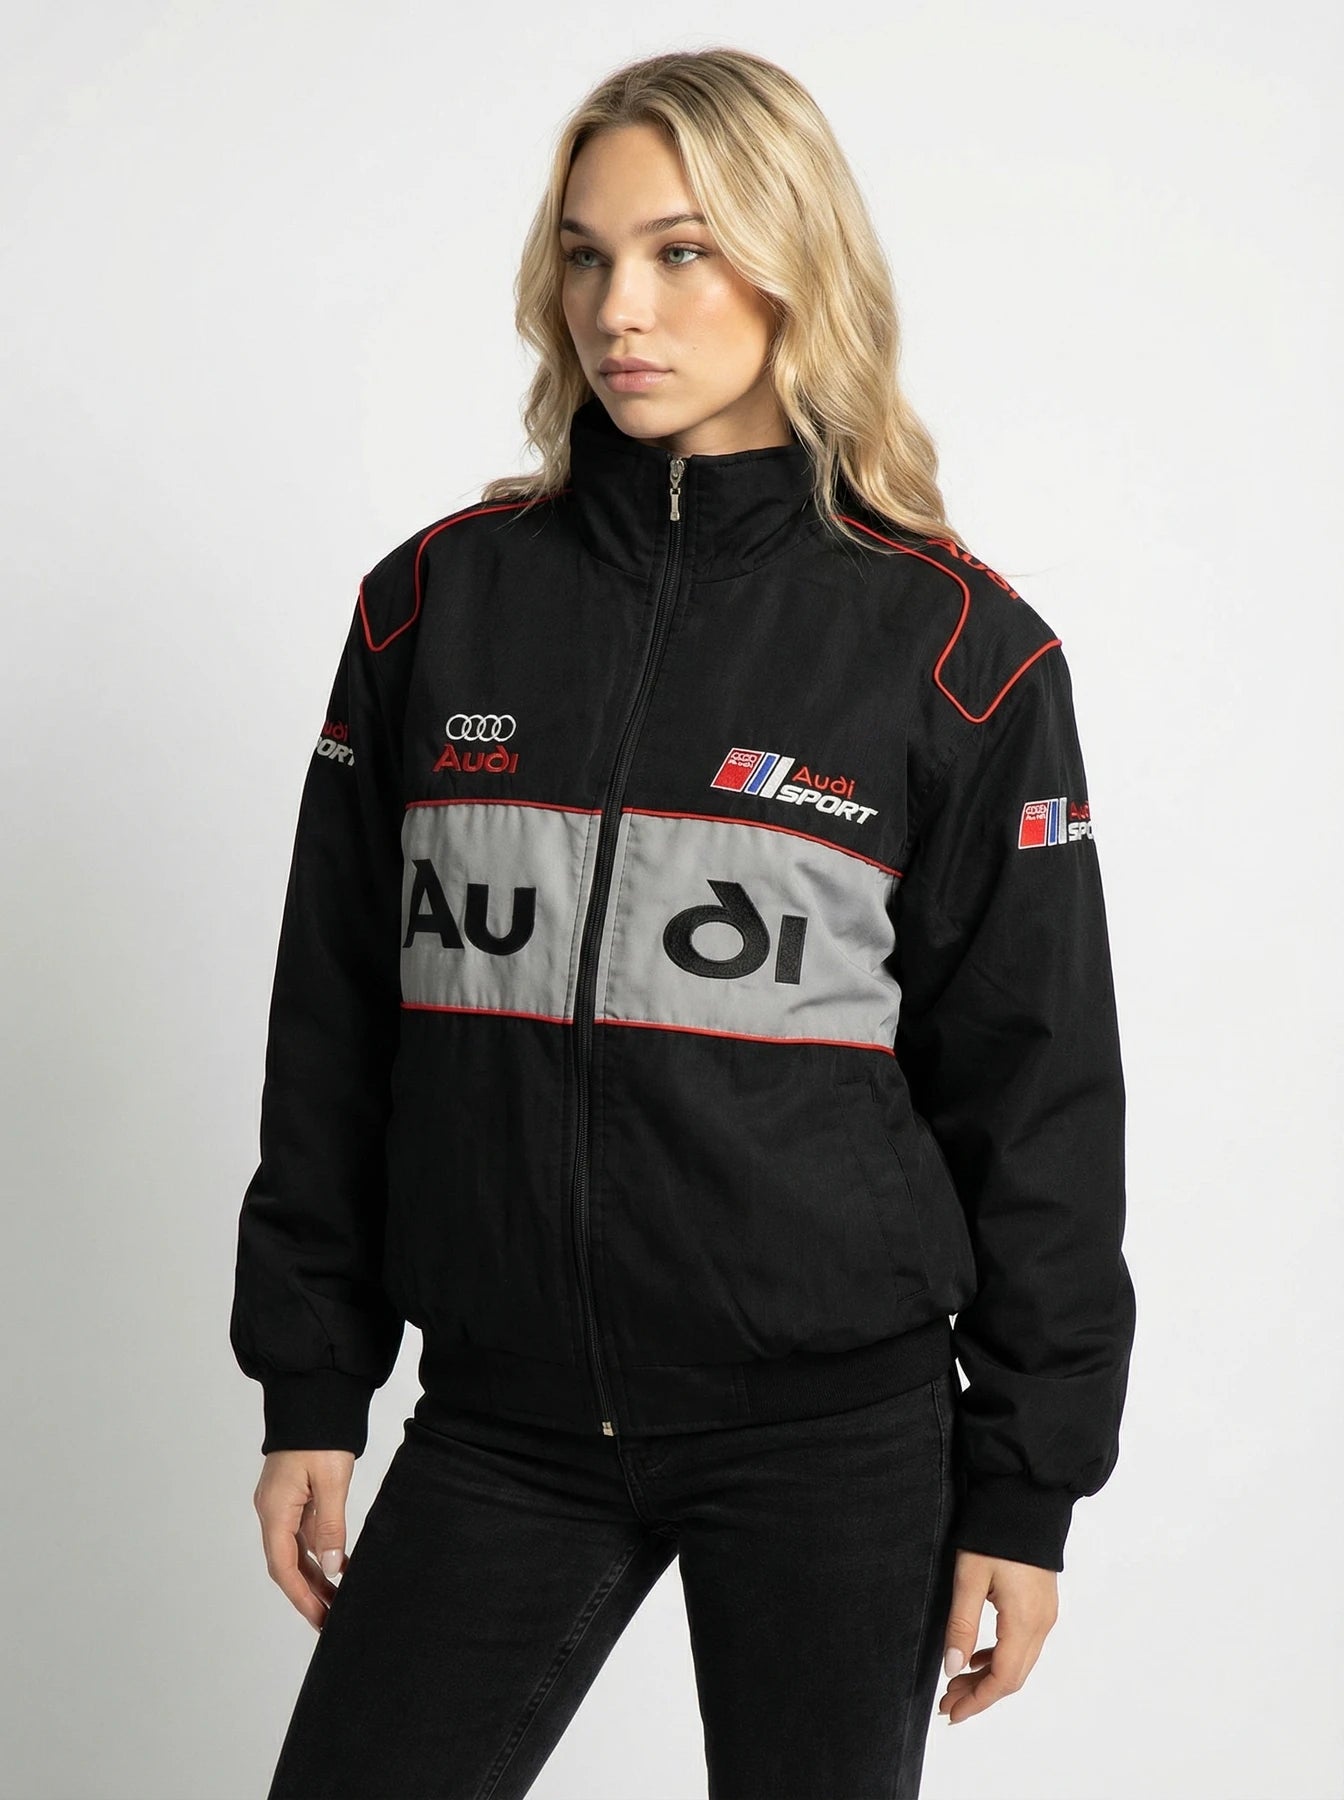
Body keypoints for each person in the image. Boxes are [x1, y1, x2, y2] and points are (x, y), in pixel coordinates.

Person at [230, 45, 1136, 1800]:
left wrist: (1027, 1487)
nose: (617, 309)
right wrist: (312, 1385)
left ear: (796, 263)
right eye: (584, 256)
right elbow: (332, 1023)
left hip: (836, 1438)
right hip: (503, 1418)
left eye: (680, 251)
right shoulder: (434, 606)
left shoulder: (957, 652)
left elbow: (1038, 1099)